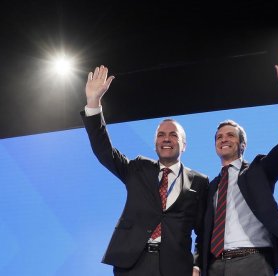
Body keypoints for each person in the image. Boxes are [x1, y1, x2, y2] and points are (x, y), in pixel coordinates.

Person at [80, 65, 209, 276]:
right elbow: (105, 151)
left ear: (184, 144)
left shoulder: (199, 182)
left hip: (176, 268)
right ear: (156, 143)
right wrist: (94, 103)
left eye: (173, 135)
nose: (166, 138)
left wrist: (197, 265)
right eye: (161, 135)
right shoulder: (138, 168)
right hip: (133, 264)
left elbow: (204, 231)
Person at [201, 52, 278, 276]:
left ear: (243, 144)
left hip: (253, 262)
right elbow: (203, 231)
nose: (223, 139)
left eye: (230, 135)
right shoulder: (211, 187)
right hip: (215, 266)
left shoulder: (259, 171)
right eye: (219, 137)